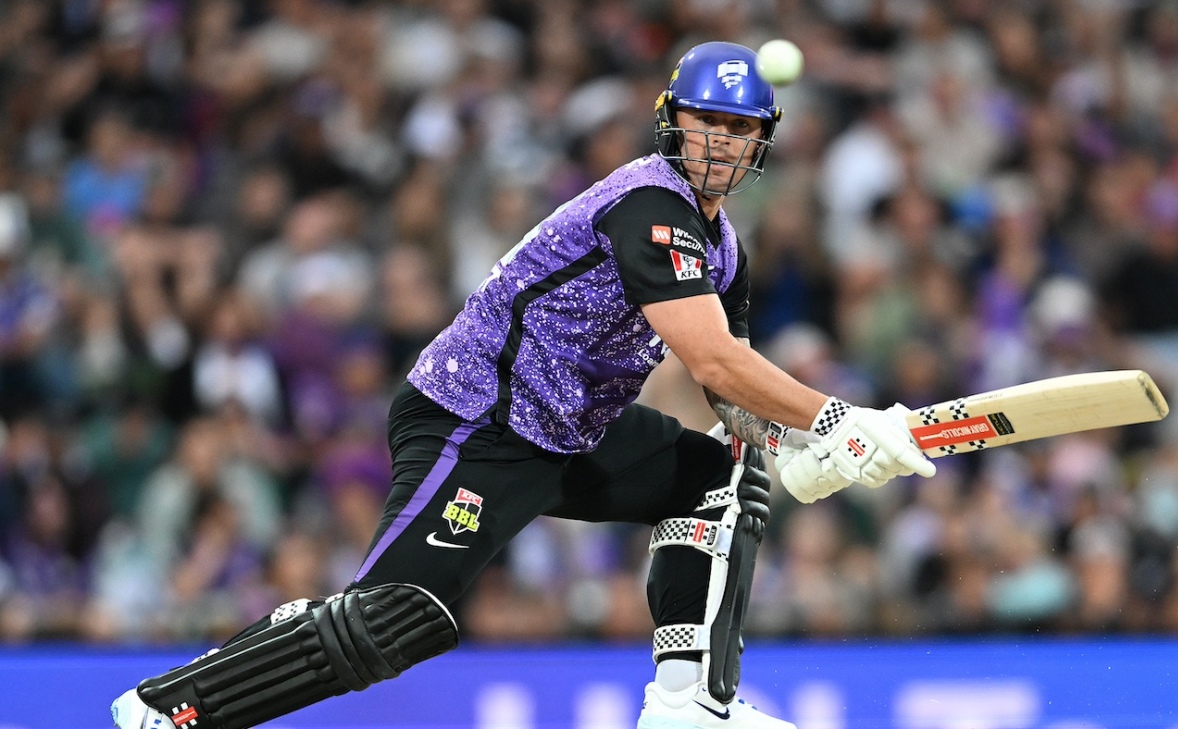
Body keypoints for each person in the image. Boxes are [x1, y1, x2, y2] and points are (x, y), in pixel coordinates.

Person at [110, 41, 936, 729]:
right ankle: (170, 706)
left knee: (719, 475)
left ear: (762, 143)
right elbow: (715, 362)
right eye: (705, 121)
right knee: (397, 619)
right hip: (478, 420)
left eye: (739, 128)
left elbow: (735, 400)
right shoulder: (650, 206)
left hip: (572, 430)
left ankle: (690, 703)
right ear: (672, 122)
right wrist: (841, 417)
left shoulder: (724, 252)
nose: (720, 142)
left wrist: (803, 444)